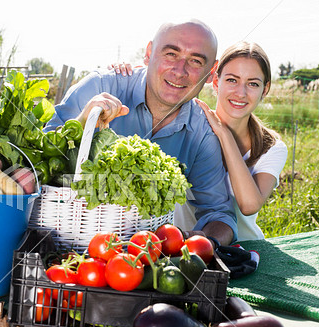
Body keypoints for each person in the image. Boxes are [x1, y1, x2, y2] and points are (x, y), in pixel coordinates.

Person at [45, 20, 237, 247]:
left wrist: (203, 242)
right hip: (63, 243)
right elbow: (39, 158)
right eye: (171, 54)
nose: (179, 71)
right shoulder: (99, 88)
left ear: (210, 72)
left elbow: (219, 214)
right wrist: (82, 122)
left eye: (195, 61)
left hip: (142, 262)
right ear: (149, 54)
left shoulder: (202, 133)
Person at [173, 42, 288, 241]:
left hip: (242, 252)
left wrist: (224, 135)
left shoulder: (272, 148)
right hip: (186, 250)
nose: (241, 93)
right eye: (232, 80)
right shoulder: (187, 128)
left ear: (265, 89)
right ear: (216, 82)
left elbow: (249, 205)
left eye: (253, 83)